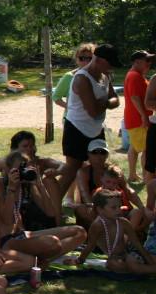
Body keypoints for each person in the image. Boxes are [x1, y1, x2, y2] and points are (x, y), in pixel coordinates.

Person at [0, 151, 86, 264]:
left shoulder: (26, 185)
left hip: (23, 235)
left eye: (25, 168)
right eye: (19, 169)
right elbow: (7, 219)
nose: (23, 172)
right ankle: (37, 261)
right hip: (6, 239)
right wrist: (11, 189)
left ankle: (40, 262)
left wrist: (39, 184)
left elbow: (50, 213)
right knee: (52, 242)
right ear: (7, 170)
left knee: (79, 232)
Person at [58, 43, 120, 210]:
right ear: (98, 60)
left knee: (99, 167)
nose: (112, 67)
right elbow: (92, 111)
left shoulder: (105, 76)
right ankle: (51, 207)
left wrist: (104, 102)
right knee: (71, 171)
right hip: (76, 129)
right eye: (110, 63)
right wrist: (106, 102)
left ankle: (98, 207)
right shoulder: (82, 78)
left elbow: (116, 100)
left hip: (96, 130)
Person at [67, 189, 156, 274]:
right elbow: (90, 246)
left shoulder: (123, 222)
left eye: (119, 207)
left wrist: (149, 260)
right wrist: (79, 260)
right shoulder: (97, 225)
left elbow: (136, 243)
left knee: (132, 262)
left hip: (131, 254)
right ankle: (145, 269)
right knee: (114, 265)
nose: (119, 210)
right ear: (100, 209)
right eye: (114, 208)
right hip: (116, 259)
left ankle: (146, 268)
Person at [75, 158, 150, 232]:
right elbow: (95, 209)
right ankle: (116, 233)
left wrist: (122, 209)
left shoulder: (119, 192)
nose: (111, 185)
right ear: (101, 179)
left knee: (137, 212)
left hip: (122, 215)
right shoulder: (98, 193)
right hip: (106, 217)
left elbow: (127, 207)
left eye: (114, 183)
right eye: (108, 182)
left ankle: (129, 233)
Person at [123, 50, 153, 182]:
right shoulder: (134, 76)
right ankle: (147, 178)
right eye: (147, 61)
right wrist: (144, 116)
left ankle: (132, 175)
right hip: (138, 120)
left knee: (134, 147)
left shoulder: (137, 75)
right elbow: (135, 97)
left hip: (134, 119)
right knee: (147, 149)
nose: (149, 63)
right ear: (137, 62)